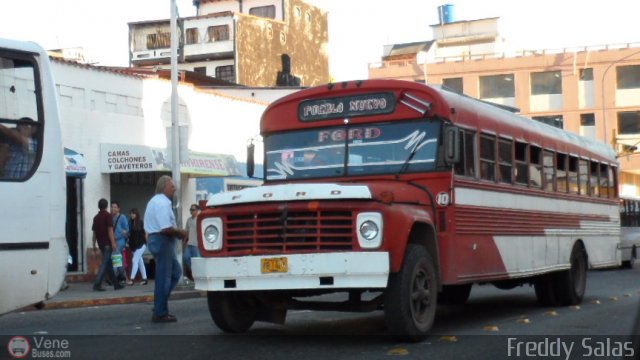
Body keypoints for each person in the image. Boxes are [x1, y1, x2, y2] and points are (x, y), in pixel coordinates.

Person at [144, 175, 187, 323]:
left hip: (156, 239)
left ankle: (159, 304)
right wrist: (180, 232)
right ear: (164, 187)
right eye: (172, 186)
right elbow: (165, 228)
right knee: (165, 277)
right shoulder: (162, 203)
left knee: (176, 272)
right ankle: (160, 312)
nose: (174, 188)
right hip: (163, 240)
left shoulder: (153, 201)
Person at [92, 198, 124, 292]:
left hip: (100, 243)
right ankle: (97, 283)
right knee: (105, 263)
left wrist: (94, 244)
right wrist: (113, 243)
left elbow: (94, 232)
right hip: (107, 244)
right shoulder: (108, 216)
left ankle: (116, 284)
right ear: (106, 206)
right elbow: (110, 230)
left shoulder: (96, 217)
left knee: (109, 264)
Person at [127, 208, 148, 285]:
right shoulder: (130, 223)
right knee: (140, 262)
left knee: (134, 260)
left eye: (133, 213)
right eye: (131, 213)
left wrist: (147, 242)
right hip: (133, 246)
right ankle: (145, 279)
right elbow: (130, 235)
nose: (132, 215)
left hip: (141, 245)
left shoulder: (140, 222)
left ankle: (132, 279)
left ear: (137, 214)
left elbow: (145, 233)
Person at [111, 201, 130, 284]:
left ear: (118, 209)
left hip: (120, 240)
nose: (113, 208)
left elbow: (127, 229)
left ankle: (114, 277)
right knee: (119, 258)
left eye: (115, 207)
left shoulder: (122, 217)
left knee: (115, 256)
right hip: (113, 241)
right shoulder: (110, 218)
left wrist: (124, 232)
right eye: (112, 207)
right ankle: (123, 277)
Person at [183, 204, 201, 281]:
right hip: (189, 244)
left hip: (196, 244)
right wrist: (184, 241)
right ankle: (194, 274)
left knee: (197, 261)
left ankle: (198, 276)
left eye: (193, 210)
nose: (191, 211)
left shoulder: (199, 219)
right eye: (190, 210)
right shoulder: (189, 220)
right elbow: (187, 231)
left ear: (197, 211)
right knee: (186, 258)